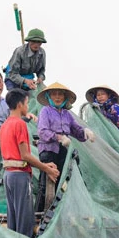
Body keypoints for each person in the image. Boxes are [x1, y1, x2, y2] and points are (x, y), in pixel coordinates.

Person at [0, 89, 60, 238]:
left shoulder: (5, 125)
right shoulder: (19, 124)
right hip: (19, 176)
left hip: (8, 175)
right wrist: (47, 168)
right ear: (20, 104)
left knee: (13, 218)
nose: (27, 106)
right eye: (27, 103)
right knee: (25, 220)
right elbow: (25, 155)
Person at [36, 82, 96, 211]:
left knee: (65, 182)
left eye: (60, 95)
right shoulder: (45, 111)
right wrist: (59, 137)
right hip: (49, 151)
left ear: (65, 98)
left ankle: (63, 212)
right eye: (54, 94)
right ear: (49, 97)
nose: (57, 97)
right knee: (47, 184)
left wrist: (86, 131)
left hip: (64, 151)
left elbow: (76, 130)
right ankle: (41, 214)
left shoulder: (67, 114)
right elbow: (42, 131)